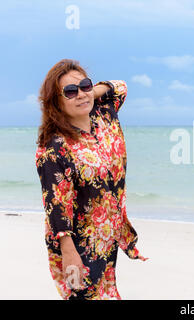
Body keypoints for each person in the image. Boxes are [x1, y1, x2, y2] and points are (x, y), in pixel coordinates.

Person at [35, 59, 147, 300]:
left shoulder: (104, 116)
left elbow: (121, 86)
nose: (80, 95)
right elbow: (55, 204)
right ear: (56, 101)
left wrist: (89, 93)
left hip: (108, 233)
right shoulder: (55, 147)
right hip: (78, 241)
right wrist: (68, 252)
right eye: (69, 92)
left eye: (84, 86)